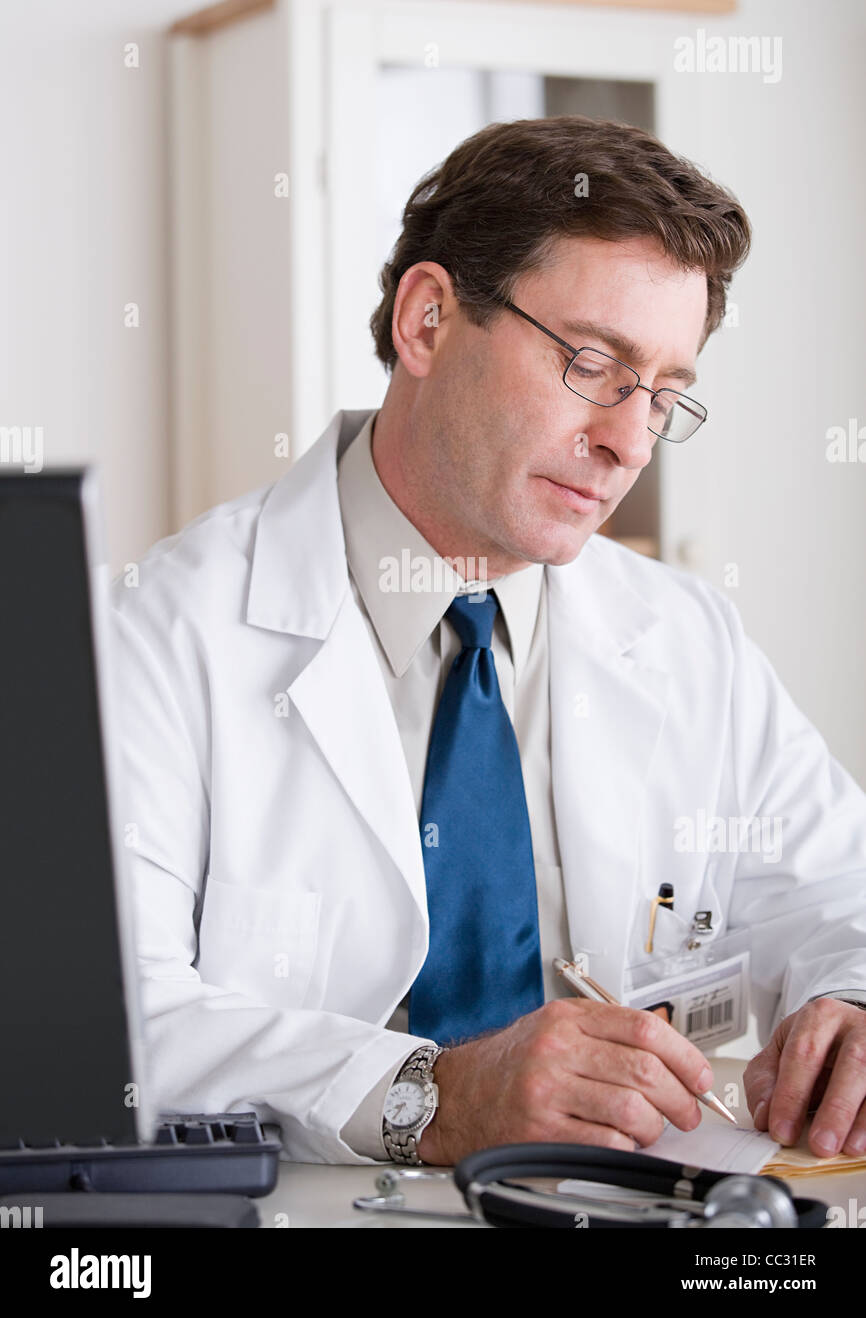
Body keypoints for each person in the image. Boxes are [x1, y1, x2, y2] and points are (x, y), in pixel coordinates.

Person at [111, 116, 866, 1167]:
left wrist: (848, 999)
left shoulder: (688, 639)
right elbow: (116, 1027)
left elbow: (837, 887)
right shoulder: (157, 635)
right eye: (591, 362)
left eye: (664, 394)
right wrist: (438, 1094)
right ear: (426, 321)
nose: (626, 441)